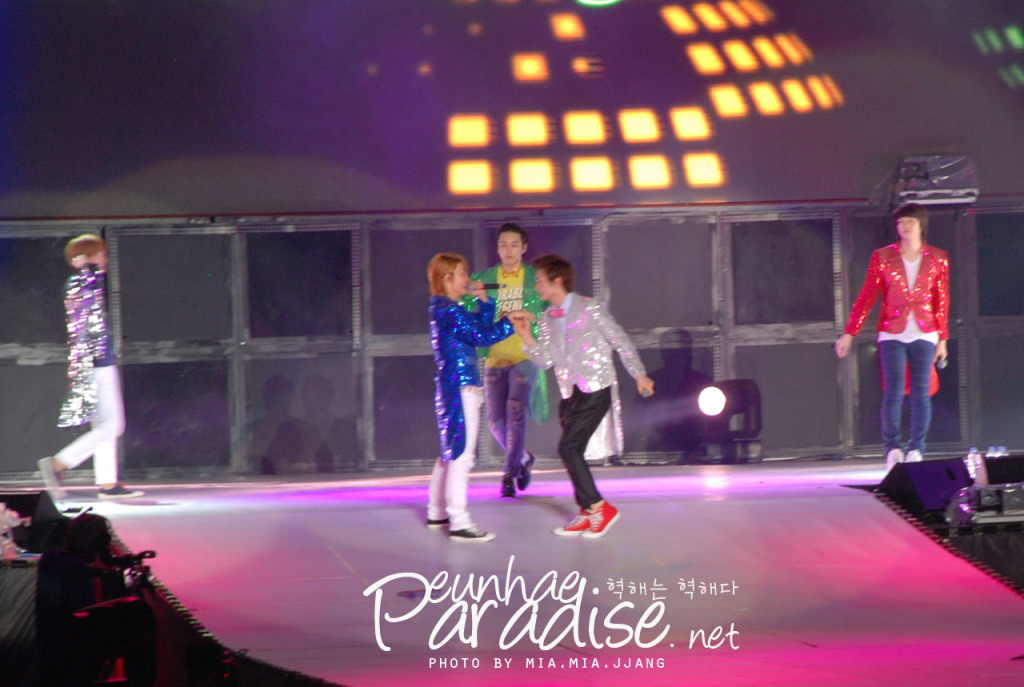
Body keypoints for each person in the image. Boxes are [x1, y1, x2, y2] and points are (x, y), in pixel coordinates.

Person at [513, 254, 654, 538]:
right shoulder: (547, 318)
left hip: (596, 386)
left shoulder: (590, 307)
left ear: (557, 280)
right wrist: (526, 336)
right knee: (572, 451)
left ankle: (601, 507)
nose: (537, 287)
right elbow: (546, 361)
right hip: (570, 392)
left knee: (569, 448)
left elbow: (620, 341)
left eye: (539, 281)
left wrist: (639, 374)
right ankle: (587, 512)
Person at [427, 253, 532, 543]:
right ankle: (459, 521)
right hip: (461, 388)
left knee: (450, 453)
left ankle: (437, 511)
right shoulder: (448, 310)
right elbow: (482, 337)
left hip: (457, 386)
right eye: (462, 273)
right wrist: (510, 321)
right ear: (448, 278)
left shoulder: (448, 308)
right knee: (462, 455)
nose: (469, 278)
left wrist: (486, 302)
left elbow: (479, 328)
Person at [835, 204, 950, 469]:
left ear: (921, 225)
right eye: (900, 223)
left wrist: (943, 339)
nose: (905, 227)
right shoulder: (883, 257)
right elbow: (866, 297)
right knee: (893, 392)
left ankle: (916, 449)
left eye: (910, 222)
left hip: (925, 332)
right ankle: (893, 449)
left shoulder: (937, 258)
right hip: (892, 332)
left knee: (921, 394)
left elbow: (941, 301)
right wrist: (849, 334)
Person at [38, 234, 142, 500]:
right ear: (86, 257)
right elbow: (86, 323)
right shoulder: (81, 283)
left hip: (95, 363)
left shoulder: (84, 283)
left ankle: (108, 483)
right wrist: (87, 270)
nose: (105, 259)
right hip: (97, 364)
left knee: (105, 427)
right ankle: (58, 463)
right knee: (113, 426)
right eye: (100, 254)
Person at [470, 223, 549, 498]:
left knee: (516, 410)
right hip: (494, 356)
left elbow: (550, 306)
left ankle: (508, 474)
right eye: (503, 244)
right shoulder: (485, 278)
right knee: (495, 421)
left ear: (524, 248)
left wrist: (537, 321)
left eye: (514, 244)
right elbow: (466, 305)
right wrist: (475, 296)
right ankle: (523, 458)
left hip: (525, 354)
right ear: (497, 247)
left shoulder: (535, 279)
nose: (509, 250)